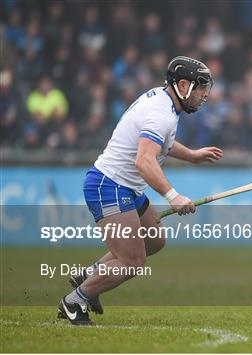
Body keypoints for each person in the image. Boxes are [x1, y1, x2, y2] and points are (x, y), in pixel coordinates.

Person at [57, 56, 223, 325]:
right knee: (132, 261)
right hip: (109, 186)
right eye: (201, 87)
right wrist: (174, 196)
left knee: (154, 240)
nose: (205, 95)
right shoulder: (161, 113)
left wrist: (191, 155)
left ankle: (90, 274)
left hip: (127, 187)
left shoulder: (165, 103)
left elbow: (161, 143)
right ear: (183, 85)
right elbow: (144, 160)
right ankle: (75, 300)